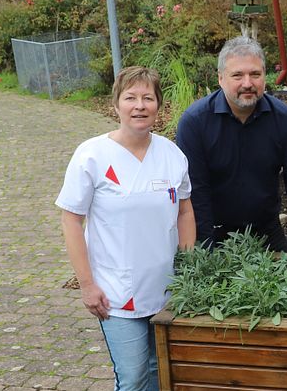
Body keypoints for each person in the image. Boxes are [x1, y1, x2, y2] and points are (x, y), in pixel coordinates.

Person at [56, 66, 196, 390]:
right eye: (130, 97)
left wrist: (188, 268)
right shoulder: (91, 155)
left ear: (159, 106)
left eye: (148, 98)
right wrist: (87, 284)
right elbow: (71, 220)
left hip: (166, 289)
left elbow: (185, 211)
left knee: (161, 375)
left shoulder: (172, 154)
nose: (140, 105)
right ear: (116, 104)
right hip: (116, 294)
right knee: (133, 379)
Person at [176, 36, 287, 257]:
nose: (247, 83)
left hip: (266, 232)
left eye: (255, 74)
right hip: (213, 234)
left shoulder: (283, 119)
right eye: (237, 75)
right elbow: (196, 191)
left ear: (264, 76)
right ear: (220, 78)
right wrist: (205, 252)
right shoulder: (195, 122)